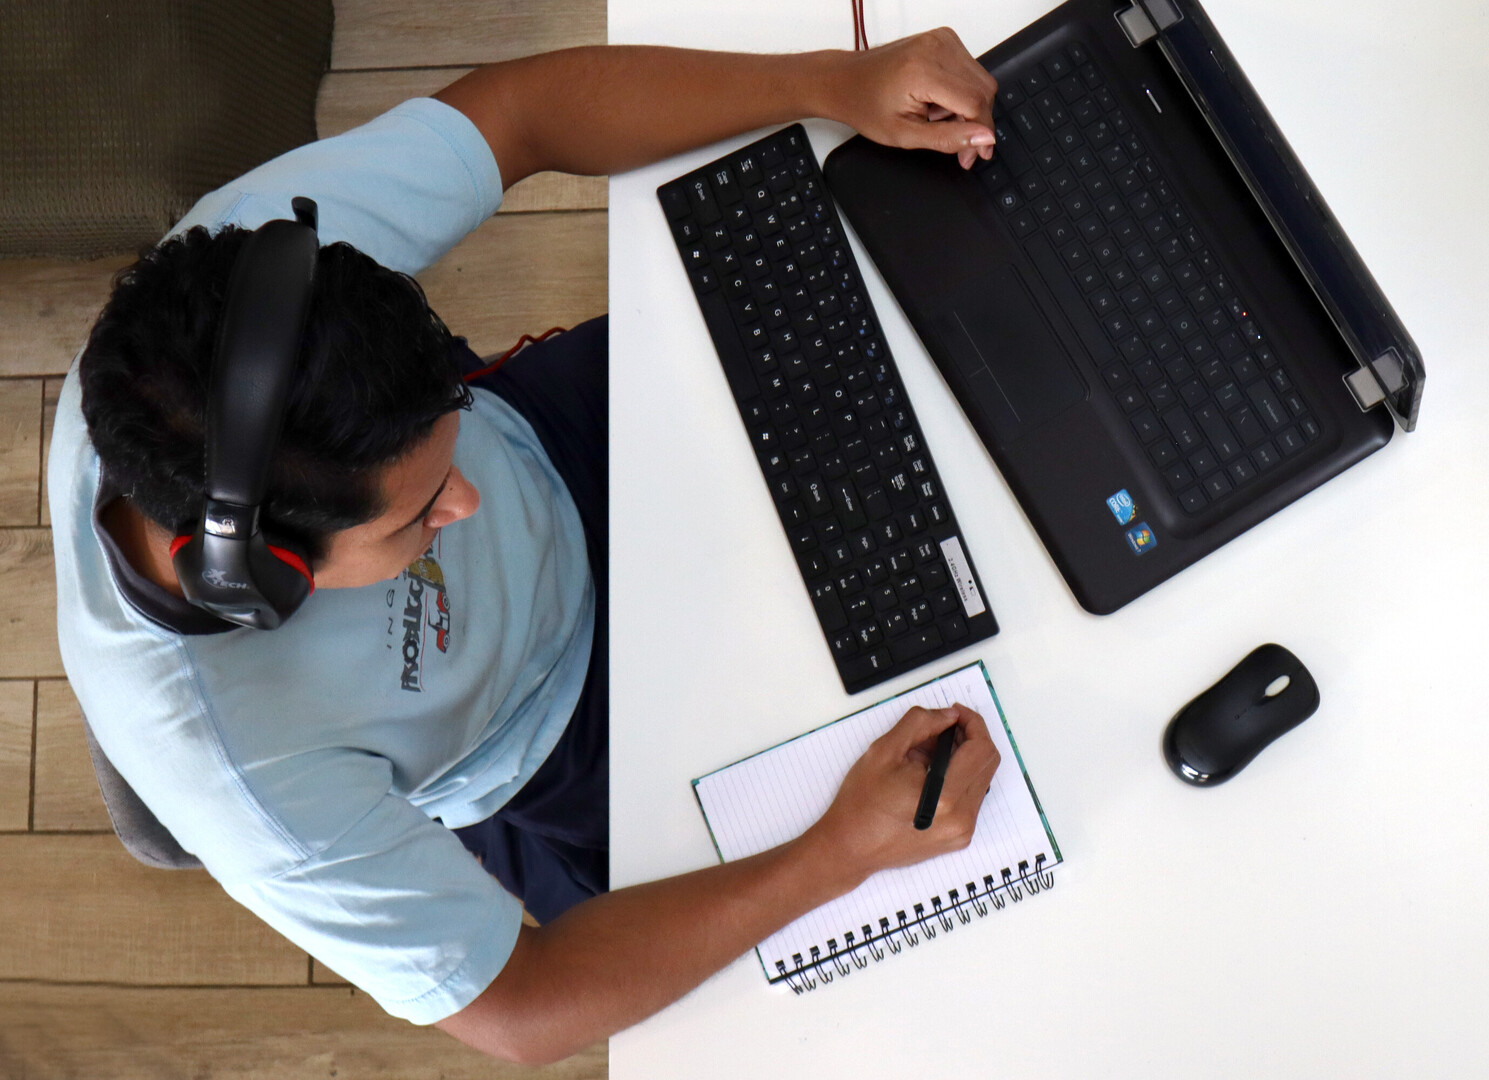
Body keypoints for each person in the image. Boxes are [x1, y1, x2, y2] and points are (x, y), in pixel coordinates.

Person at [50, 30, 1003, 1066]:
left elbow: (519, 117)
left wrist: (829, 81)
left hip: (553, 431)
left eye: (442, 463)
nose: (466, 505)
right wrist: (836, 854)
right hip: (548, 739)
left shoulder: (241, 272)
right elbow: (520, 1008)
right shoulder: (247, 777)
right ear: (271, 571)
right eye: (418, 517)